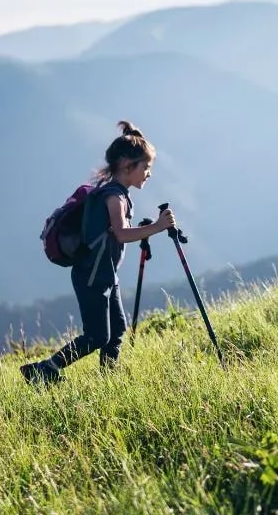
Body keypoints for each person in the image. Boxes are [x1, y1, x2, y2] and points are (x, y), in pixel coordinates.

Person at [21, 121, 175, 384]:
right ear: (128, 165)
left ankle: (108, 380)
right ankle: (45, 369)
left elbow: (115, 231)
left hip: (103, 274)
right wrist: (158, 228)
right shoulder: (114, 196)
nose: (149, 173)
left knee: (116, 331)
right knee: (96, 336)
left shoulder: (117, 193)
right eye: (146, 167)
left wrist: (145, 229)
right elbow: (121, 233)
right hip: (92, 277)